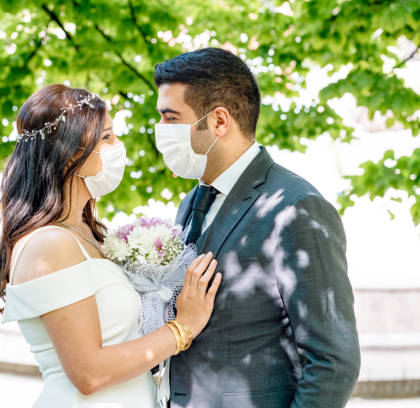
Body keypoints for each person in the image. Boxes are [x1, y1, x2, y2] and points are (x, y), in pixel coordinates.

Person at [0, 84, 222, 407]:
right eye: (106, 138)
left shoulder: (88, 234)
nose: (118, 146)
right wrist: (183, 328)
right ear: (71, 154)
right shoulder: (50, 245)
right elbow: (88, 374)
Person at [153, 47, 361, 408]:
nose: (160, 131)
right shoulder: (191, 202)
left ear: (219, 121)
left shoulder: (296, 208)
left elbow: (333, 363)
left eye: (171, 118)